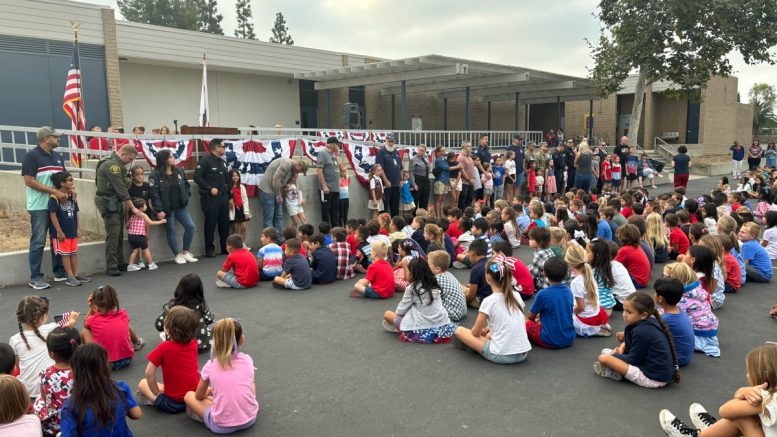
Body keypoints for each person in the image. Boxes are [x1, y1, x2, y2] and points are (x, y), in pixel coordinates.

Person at [659, 343, 777, 437]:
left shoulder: (769, 400)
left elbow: (725, 411)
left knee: (742, 418)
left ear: (765, 375)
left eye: (749, 371)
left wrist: (743, 392)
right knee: (748, 416)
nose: (747, 375)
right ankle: (714, 430)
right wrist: (744, 392)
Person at [183, 319, 258, 434]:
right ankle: (244, 404)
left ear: (214, 343)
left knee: (189, 396)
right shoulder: (247, 360)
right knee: (250, 382)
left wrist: (209, 391)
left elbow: (198, 396)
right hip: (250, 418)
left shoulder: (210, 365)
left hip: (222, 426)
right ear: (241, 339)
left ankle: (211, 413)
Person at [453, 256, 532, 364]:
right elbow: (508, 318)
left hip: (501, 355)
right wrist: (488, 329)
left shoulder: (489, 301)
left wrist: (481, 332)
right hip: (523, 353)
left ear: (488, 279)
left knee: (459, 331)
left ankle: (476, 347)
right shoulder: (516, 295)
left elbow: (475, 333)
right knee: (488, 334)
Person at [593, 292, 680, 389]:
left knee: (603, 358)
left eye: (629, 312)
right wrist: (621, 349)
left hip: (653, 379)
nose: (624, 315)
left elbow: (633, 360)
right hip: (658, 372)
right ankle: (617, 366)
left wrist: (615, 355)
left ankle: (614, 373)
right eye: (624, 310)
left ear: (643, 315)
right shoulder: (648, 322)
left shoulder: (641, 331)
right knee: (607, 352)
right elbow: (634, 347)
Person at [60, 344, 143, 435]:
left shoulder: (70, 406)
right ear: (106, 366)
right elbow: (137, 414)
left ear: (74, 371)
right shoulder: (121, 388)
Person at [23, 127, 68, 288]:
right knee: (38, 241)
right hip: (39, 206)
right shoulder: (31, 156)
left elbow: (64, 178)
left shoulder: (57, 156)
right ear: (45, 139)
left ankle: (59, 272)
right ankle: (35, 278)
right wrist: (54, 191)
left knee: (57, 239)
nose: (58, 139)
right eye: (55, 137)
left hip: (55, 204)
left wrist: (71, 190)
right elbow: (29, 181)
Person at [11, 296, 79, 399]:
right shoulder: (52, 328)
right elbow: (67, 328)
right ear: (43, 317)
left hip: (26, 390)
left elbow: (19, 366)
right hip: (50, 384)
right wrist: (73, 319)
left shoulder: (14, 339)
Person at [137, 306, 200, 414]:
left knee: (142, 383)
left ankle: (155, 399)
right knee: (168, 386)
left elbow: (149, 373)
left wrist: (157, 393)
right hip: (194, 395)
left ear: (167, 330)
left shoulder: (164, 347)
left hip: (173, 403)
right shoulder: (193, 343)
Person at [382, 259, 456, 344]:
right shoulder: (434, 284)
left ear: (413, 274)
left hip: (421, 326)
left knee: (387, 315)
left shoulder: (412, 288)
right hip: (442, 324)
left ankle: (402, 329)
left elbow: (400, 311)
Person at [148, 149, 197, 265]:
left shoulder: (179, 171)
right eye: (170, 157)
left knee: (190, 226)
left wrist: (186, 196)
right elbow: (154, 194)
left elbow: (186, 185)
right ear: (164, 160)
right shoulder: (155, 175)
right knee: (171, 230)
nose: (173, 158)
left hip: (180, 206)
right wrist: (159, 210)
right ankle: (177, 255)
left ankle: (186, 252)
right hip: (167, 209)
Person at [82, 285, 144, 369]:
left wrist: (91, 308)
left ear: (95, 306)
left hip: (104, 364)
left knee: (85, 331)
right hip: (127, 359)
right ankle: (137, 342)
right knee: (125, 325)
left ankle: (85, 357)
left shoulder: (93, 319)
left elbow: (85, 323)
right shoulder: (123, 314)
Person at [32, 326, 80, 437]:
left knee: (39, 399)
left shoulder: (45, 374)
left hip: (56, 423)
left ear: (52, 354)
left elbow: (45, 399)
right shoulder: (84, 371)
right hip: (81, 419)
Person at [665, 262, 720, 357]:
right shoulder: (697, 289)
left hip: (699, 333)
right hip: (710, 328)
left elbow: (673, 314)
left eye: (666, 277)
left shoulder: (683, 298)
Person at [48, 171, 91, 286]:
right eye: (70, 180)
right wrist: (59, 231)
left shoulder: (72, 196)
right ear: (62, 183)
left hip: (72, 230)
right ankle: (69, 277)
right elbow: (52, 215)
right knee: (65, 254)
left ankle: (76, 274)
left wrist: (78, 228)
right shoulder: (54, 198)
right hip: (62, 233)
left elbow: (76, 212)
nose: (73, 182)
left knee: (73, 253)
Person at [525, 257, 575, 349]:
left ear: (545, 274)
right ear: (565, 275)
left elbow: (530, 317)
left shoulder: (543, 294)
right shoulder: (569, 291)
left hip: (549, 340)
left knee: (524, 320)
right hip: (569, 338)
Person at [194, 138, 231, 258]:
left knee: (224, 224)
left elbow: (227, 180)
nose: (225, 149)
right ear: (216, 148)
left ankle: (225, 248)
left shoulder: (222, 162)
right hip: (210, 198)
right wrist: (209, 188)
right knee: (210, 224)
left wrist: (230, 197)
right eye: (223, 147)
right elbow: (197, 177)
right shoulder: (205, 161)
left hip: (223, 197)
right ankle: (209, 249)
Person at [258, 157, 308, 242]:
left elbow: (281, 181)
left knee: (279, 217)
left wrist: (284, 187)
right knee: (269, 218)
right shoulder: (286, 163)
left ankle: (280, 240)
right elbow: (276, 178)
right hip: (267, 191)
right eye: (299, 171)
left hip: (277, 192)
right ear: (299, 166)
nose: (297, 173)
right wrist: (278, 195)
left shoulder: (292, 168)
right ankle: (268, 242)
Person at [566, 244, 610, 337]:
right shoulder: (588, 273)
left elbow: (580, 307)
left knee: (563, 316)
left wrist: (569, 313)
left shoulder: (576, 282)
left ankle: (592, 329)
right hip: (596, 313)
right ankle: (598, 327)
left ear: (570, 262)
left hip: (585, 319)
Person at [653, 277, 694, 368]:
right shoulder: (678, 310)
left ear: (660, 298)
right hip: (684, 356)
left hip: (677, 359)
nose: (654, 294)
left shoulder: (667, 319)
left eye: (655, 292)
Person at [126, 198, 166, 272]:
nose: (146, 206)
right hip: (140, 236)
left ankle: (130, 265)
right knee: (146, 250)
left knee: (135, 251)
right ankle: (151, 264)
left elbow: (127, 225)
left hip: (131, 236)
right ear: (140, 208)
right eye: (145, 205)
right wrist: (161, 221)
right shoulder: (143, 215)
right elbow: (151, 223)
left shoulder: (131, 215)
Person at [375, 133, 401, 217]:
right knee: (384, 209)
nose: (391, 143)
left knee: (395, 208)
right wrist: (386, 181)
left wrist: (401, 180)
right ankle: (383, 228)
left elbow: (401, 167)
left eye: (392, 141)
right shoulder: (381, 152)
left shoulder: (396, 152)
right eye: (389, 141)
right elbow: (380, 168)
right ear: (385, 141)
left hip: (396, 185)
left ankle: (395, 226)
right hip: (386, 186)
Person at [317, 136, 341, 227]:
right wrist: (324, 186)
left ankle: (336, 231)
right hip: (327, 189)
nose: (339, 146)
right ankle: (326, 233)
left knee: (335, 212)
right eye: (337, 144)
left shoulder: (333, 154)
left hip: (335, 188)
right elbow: (319, 170)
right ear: (332, 145)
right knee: (326, 212)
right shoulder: (322, 153)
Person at [228, 169, 250, 244]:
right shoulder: (228, 187)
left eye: (237, 175)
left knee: (244, 228)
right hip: (233, 210)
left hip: (241, 209)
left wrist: (246, 211)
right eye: (233, 176)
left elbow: (245, 199)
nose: (235, 177)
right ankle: (234, 245)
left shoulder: (241, 187)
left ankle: (243, 244)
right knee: (235, 229)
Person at [409, 145, 431, 211]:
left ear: (425, 151)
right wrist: (413, 184)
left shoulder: (426, 158)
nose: (421, 152)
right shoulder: (413, 159)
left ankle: (423, 217)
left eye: (423, 151)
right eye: (420, 150)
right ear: (417, 150)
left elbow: (428, 168)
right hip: (417, 179)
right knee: (415, 200)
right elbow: (411, 172)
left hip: (426, 180)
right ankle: (414, 218)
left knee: (425, 200)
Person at [457, 142, 476, 210]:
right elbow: (461, 170)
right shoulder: (460, 157)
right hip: (464, 182)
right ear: (464, 147)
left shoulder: (470, 157)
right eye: (469, 146)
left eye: (471, 146)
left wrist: (473, 178)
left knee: (469, 199)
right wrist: (469, 179)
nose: (471, 148)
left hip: (470, 182)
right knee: (462, 200)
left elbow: (472, 169)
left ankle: (467, 215)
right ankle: (461, 215)